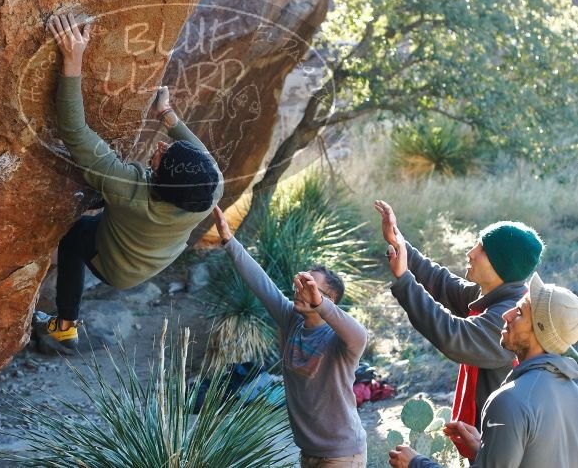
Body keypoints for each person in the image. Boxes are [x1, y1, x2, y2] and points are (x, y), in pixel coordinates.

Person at [33, 14, 223, 352]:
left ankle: (65, 326)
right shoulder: (209, 187)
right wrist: (166, 113)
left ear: (159, 181)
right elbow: (201, 156)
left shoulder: (130, 190)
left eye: (163, 155)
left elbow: (75, 132)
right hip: (153, 250)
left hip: (119, 267)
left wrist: (73, 60)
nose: (161, 145)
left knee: (74, 238)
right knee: (101, 202)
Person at [373, 200, 543, 458]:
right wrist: (400, 243)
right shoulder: (494, 295)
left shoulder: (510, 317)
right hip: (487, 445)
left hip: (504, 453)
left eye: (482, 250)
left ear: (502, 267)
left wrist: (405, 281)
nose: (471, 252)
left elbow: (454, 336)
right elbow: (442, 283)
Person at [212, 206, 368, 468]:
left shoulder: (339, 340)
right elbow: (262, 284)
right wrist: (229, 241)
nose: (300, 291)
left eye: (310, 288)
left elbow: (360, 335)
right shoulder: (292, 319)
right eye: (300, 284)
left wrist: (319, 303)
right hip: (307, 453)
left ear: (327, 299)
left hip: (342, 455)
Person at [388, 273, 578, 468]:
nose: (507, 314)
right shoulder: (573, 393)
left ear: (541, 331)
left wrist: (416, 463)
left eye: (520, 313)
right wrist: (485, 451)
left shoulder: (511, 400)